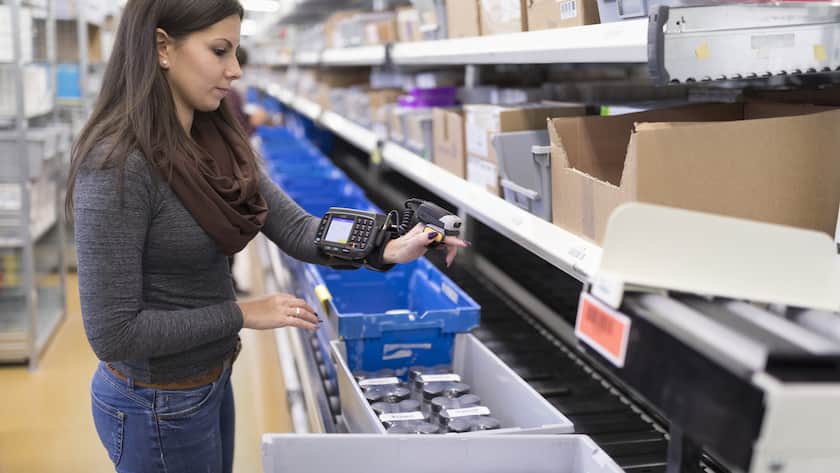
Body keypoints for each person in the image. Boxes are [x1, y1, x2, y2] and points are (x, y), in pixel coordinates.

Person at [65, 1, 468, 472]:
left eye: (236, 51)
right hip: (156, 401)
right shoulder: (116, 164)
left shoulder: (212, 138)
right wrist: (241, 314)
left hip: (210, 379)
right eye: (220, 51)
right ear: (162, 48)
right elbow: (114, 334)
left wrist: (389, 245)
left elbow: (297, 228)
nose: (235, 71)